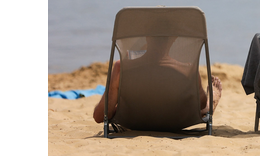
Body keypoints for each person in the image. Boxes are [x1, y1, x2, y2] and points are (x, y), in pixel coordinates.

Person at [93, 35, 223, 124]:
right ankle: (213, 99)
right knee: (204, 108)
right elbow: (200, 104)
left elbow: (100, 116)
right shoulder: (188, 70)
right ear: (174, 38)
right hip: (175, 123)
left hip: (134, 122)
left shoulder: (121, 68)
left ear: (146, 36)